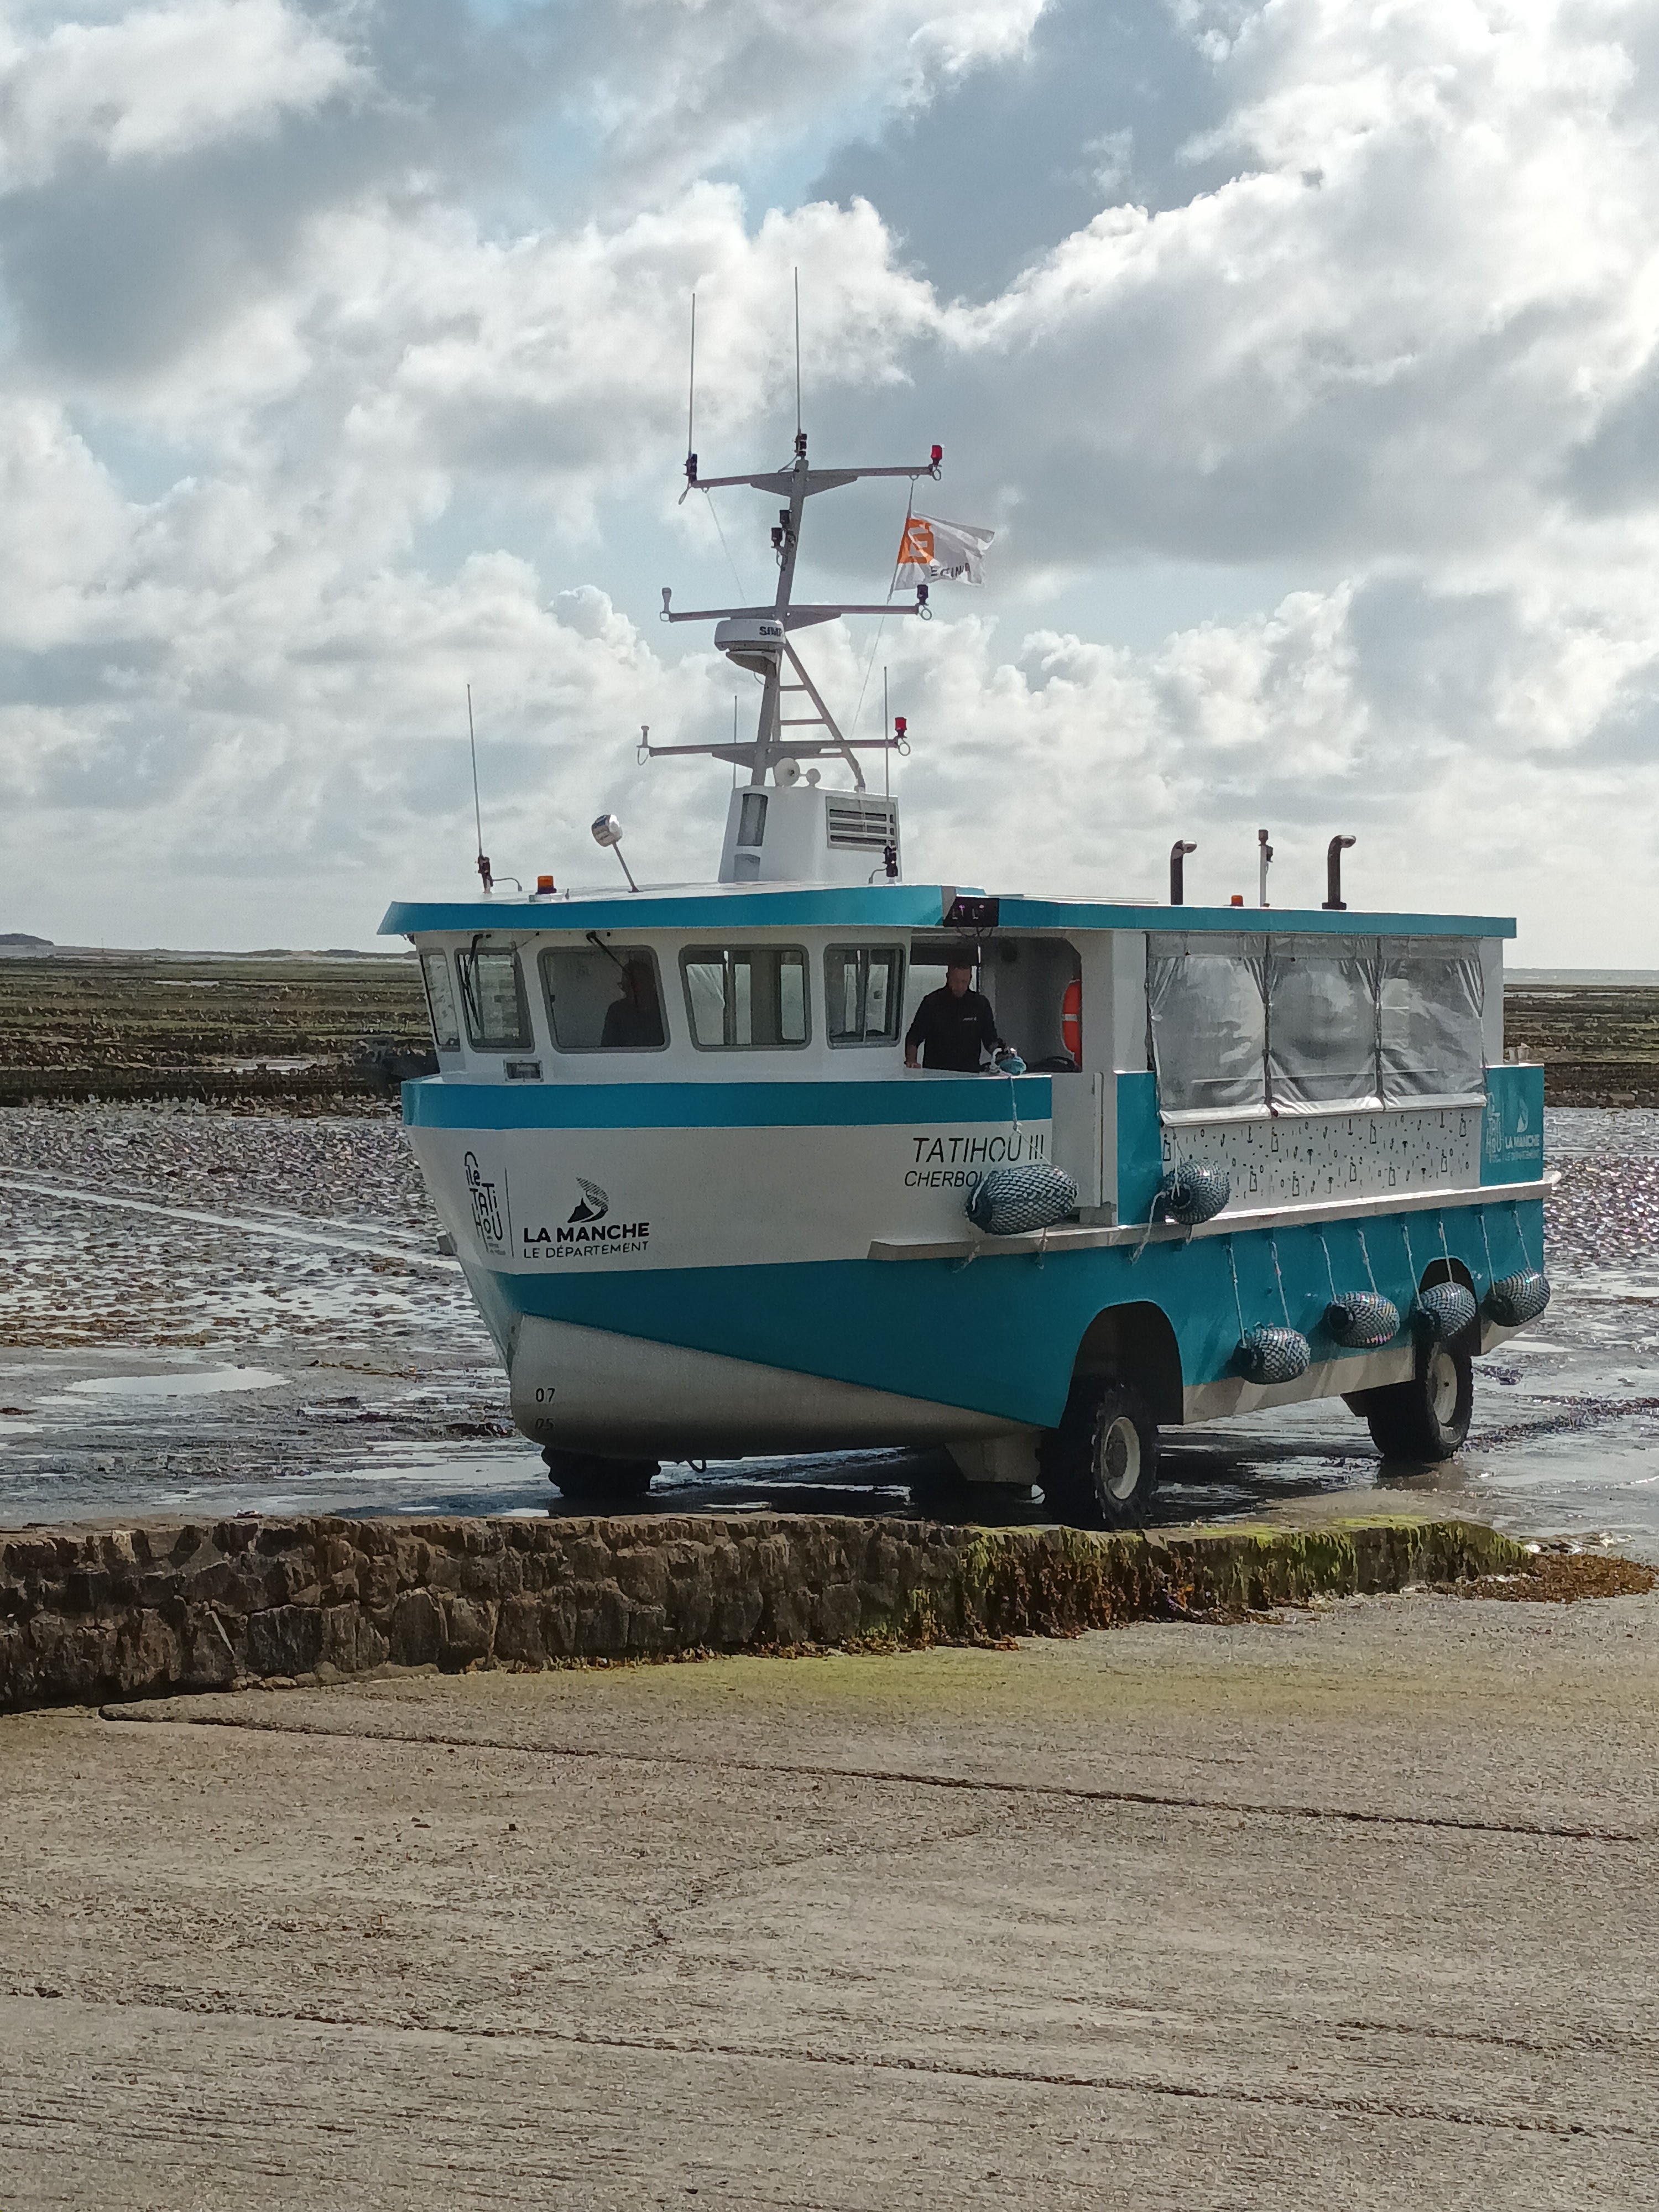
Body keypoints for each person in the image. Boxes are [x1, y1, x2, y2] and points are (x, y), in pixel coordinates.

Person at [904, 958, 1004, 1071]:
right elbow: (914, 1038)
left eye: (964, 982)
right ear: (948, 977)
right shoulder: (932, 1002)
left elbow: (990, 1039)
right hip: (936, 1073)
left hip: (969, 1074)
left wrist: (1002, 1056)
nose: (960, 986)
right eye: (956, 981)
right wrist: (911, 1062)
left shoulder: (980, 1004)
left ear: (970, 979)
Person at [601, 957, 665, 1048]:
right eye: (626, 987)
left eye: (636, 985)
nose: (630, 991)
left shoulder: (664, 1008)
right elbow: (609, 1048)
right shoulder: (617, 1010)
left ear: (651, 985)